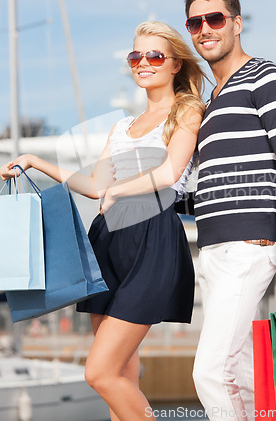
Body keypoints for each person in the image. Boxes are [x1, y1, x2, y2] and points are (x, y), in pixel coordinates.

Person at [0, 21, 206, 421]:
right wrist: (36, 162)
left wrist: (121, 190)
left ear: (176, 64)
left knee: (99, 372)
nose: (143, 63)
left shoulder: (187, 110)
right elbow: (96, 186)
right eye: (136, 56)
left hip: (152, 235)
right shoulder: (122, 126)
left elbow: (169, 173)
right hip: (109, 239)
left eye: (154, 56)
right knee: (124, 370)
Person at [184, 0, 276, 421]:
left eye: (215, 19)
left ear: (237, 23)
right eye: (195, 22)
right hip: (213, 251)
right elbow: (208, 190)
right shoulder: (210, 103)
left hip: (248, 247)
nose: (205, 29)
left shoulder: (265, 76)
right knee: (238, 371)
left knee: (212, 374)